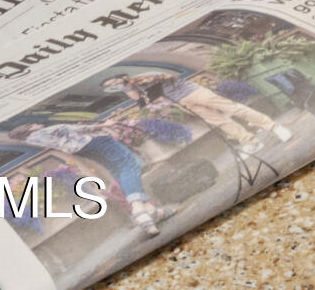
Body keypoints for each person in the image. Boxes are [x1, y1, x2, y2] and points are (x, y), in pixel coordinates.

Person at [15, 121, 160, 237]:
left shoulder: (33, 140)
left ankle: (151, 210)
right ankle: (138, 209)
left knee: (117, 169)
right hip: (95, 142)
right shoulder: (43, 131)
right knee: (128, 164)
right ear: (29, 128)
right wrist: (105, 124)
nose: (36, 124)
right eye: (32, 124)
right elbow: (72, 128)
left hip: (81, 150)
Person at [109, 68, 289, 153]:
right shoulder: (131, 87)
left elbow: (170, 76)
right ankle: (249, 140)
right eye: (113, 85)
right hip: (181, 101)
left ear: (123, 76)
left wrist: (145, 80)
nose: (116, 85)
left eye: (116, 82)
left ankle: (274, 127)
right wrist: (128, 87)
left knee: (233, 109)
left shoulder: (143, 75)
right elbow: (138, 100)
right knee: (218, 121)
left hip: (194, 91)